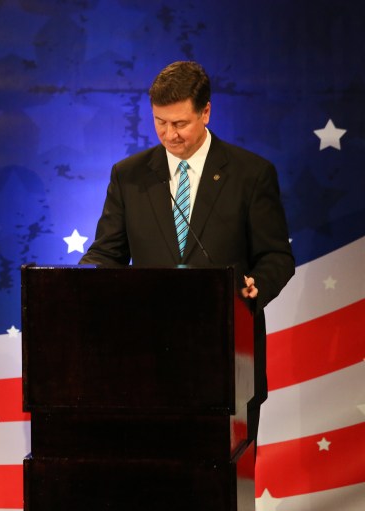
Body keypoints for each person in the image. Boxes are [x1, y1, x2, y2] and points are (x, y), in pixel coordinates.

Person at [80, 61, 294, 445]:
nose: (169, 134)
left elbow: (277, 256)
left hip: (228, 360)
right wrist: (78, 285)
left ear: (206, 111)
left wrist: (256, 286)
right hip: (147, 364)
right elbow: (106, 253)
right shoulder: (128, 175)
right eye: (160, 122)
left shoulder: (251, 174)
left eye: (180, 123)